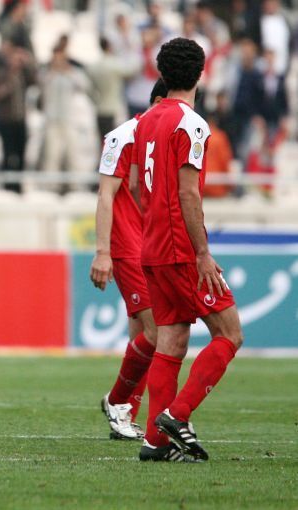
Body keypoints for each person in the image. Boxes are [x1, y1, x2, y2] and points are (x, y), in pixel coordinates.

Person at [130, 38, 244, 462]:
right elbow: (189, 193)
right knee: (229, 333)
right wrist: (202, 253)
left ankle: (155, 443)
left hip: (152, 246)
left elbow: (137, 185)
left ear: (162, 73)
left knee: (172, 340)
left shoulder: (145, 121)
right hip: (180, 247)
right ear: (201, 73)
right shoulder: (191, 124)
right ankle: (177, 416)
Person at [90, 79, 167, 440]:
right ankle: (117, 400)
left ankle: (125, 417)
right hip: (129, 246)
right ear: (158, 101)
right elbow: (106, 195)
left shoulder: (167, 137)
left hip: (155, 246)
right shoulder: (123, 136)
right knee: (156, 332)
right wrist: (103, 251)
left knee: (143, 336)